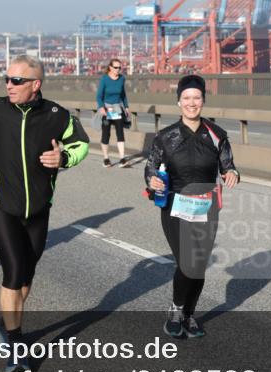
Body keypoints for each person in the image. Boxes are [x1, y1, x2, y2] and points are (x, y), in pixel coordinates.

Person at [0, 55, 89, 372]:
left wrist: (63, 159)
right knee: (14, 270)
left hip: (38, 209)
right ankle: (16, 347)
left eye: (16, 81)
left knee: (26, 277)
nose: (9, 85)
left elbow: (82, 144)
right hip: (0, 203)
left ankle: (5, 323)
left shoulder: (56, 115)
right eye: (6, 79)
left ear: (36, 84)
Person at [145, 74, 239, 339]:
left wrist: (233, 173)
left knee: (198, 264)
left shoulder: (217, 135)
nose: (192, 102)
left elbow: (228, 165)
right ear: (178, 102)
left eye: (196, 97)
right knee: (187, 261)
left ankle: (189, 314)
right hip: (175, 205)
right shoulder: (166, 137)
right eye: (186, 98)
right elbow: (151, 169)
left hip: (206, 207)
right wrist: (153, 181)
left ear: (203, 101)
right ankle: (175, 310)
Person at [96, 58, 130, 167]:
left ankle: (122, 158)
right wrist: (101, 107)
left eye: (120, 68)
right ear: (110, 67)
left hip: (117, 109)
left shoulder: (121, 79)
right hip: (106, 109)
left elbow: (123, 95)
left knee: (120, 133)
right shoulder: (104, 79)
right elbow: (99, 96)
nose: (118, 70)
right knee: (106, 134)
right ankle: (106, 158)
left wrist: (127, 107)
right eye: (116, 67)